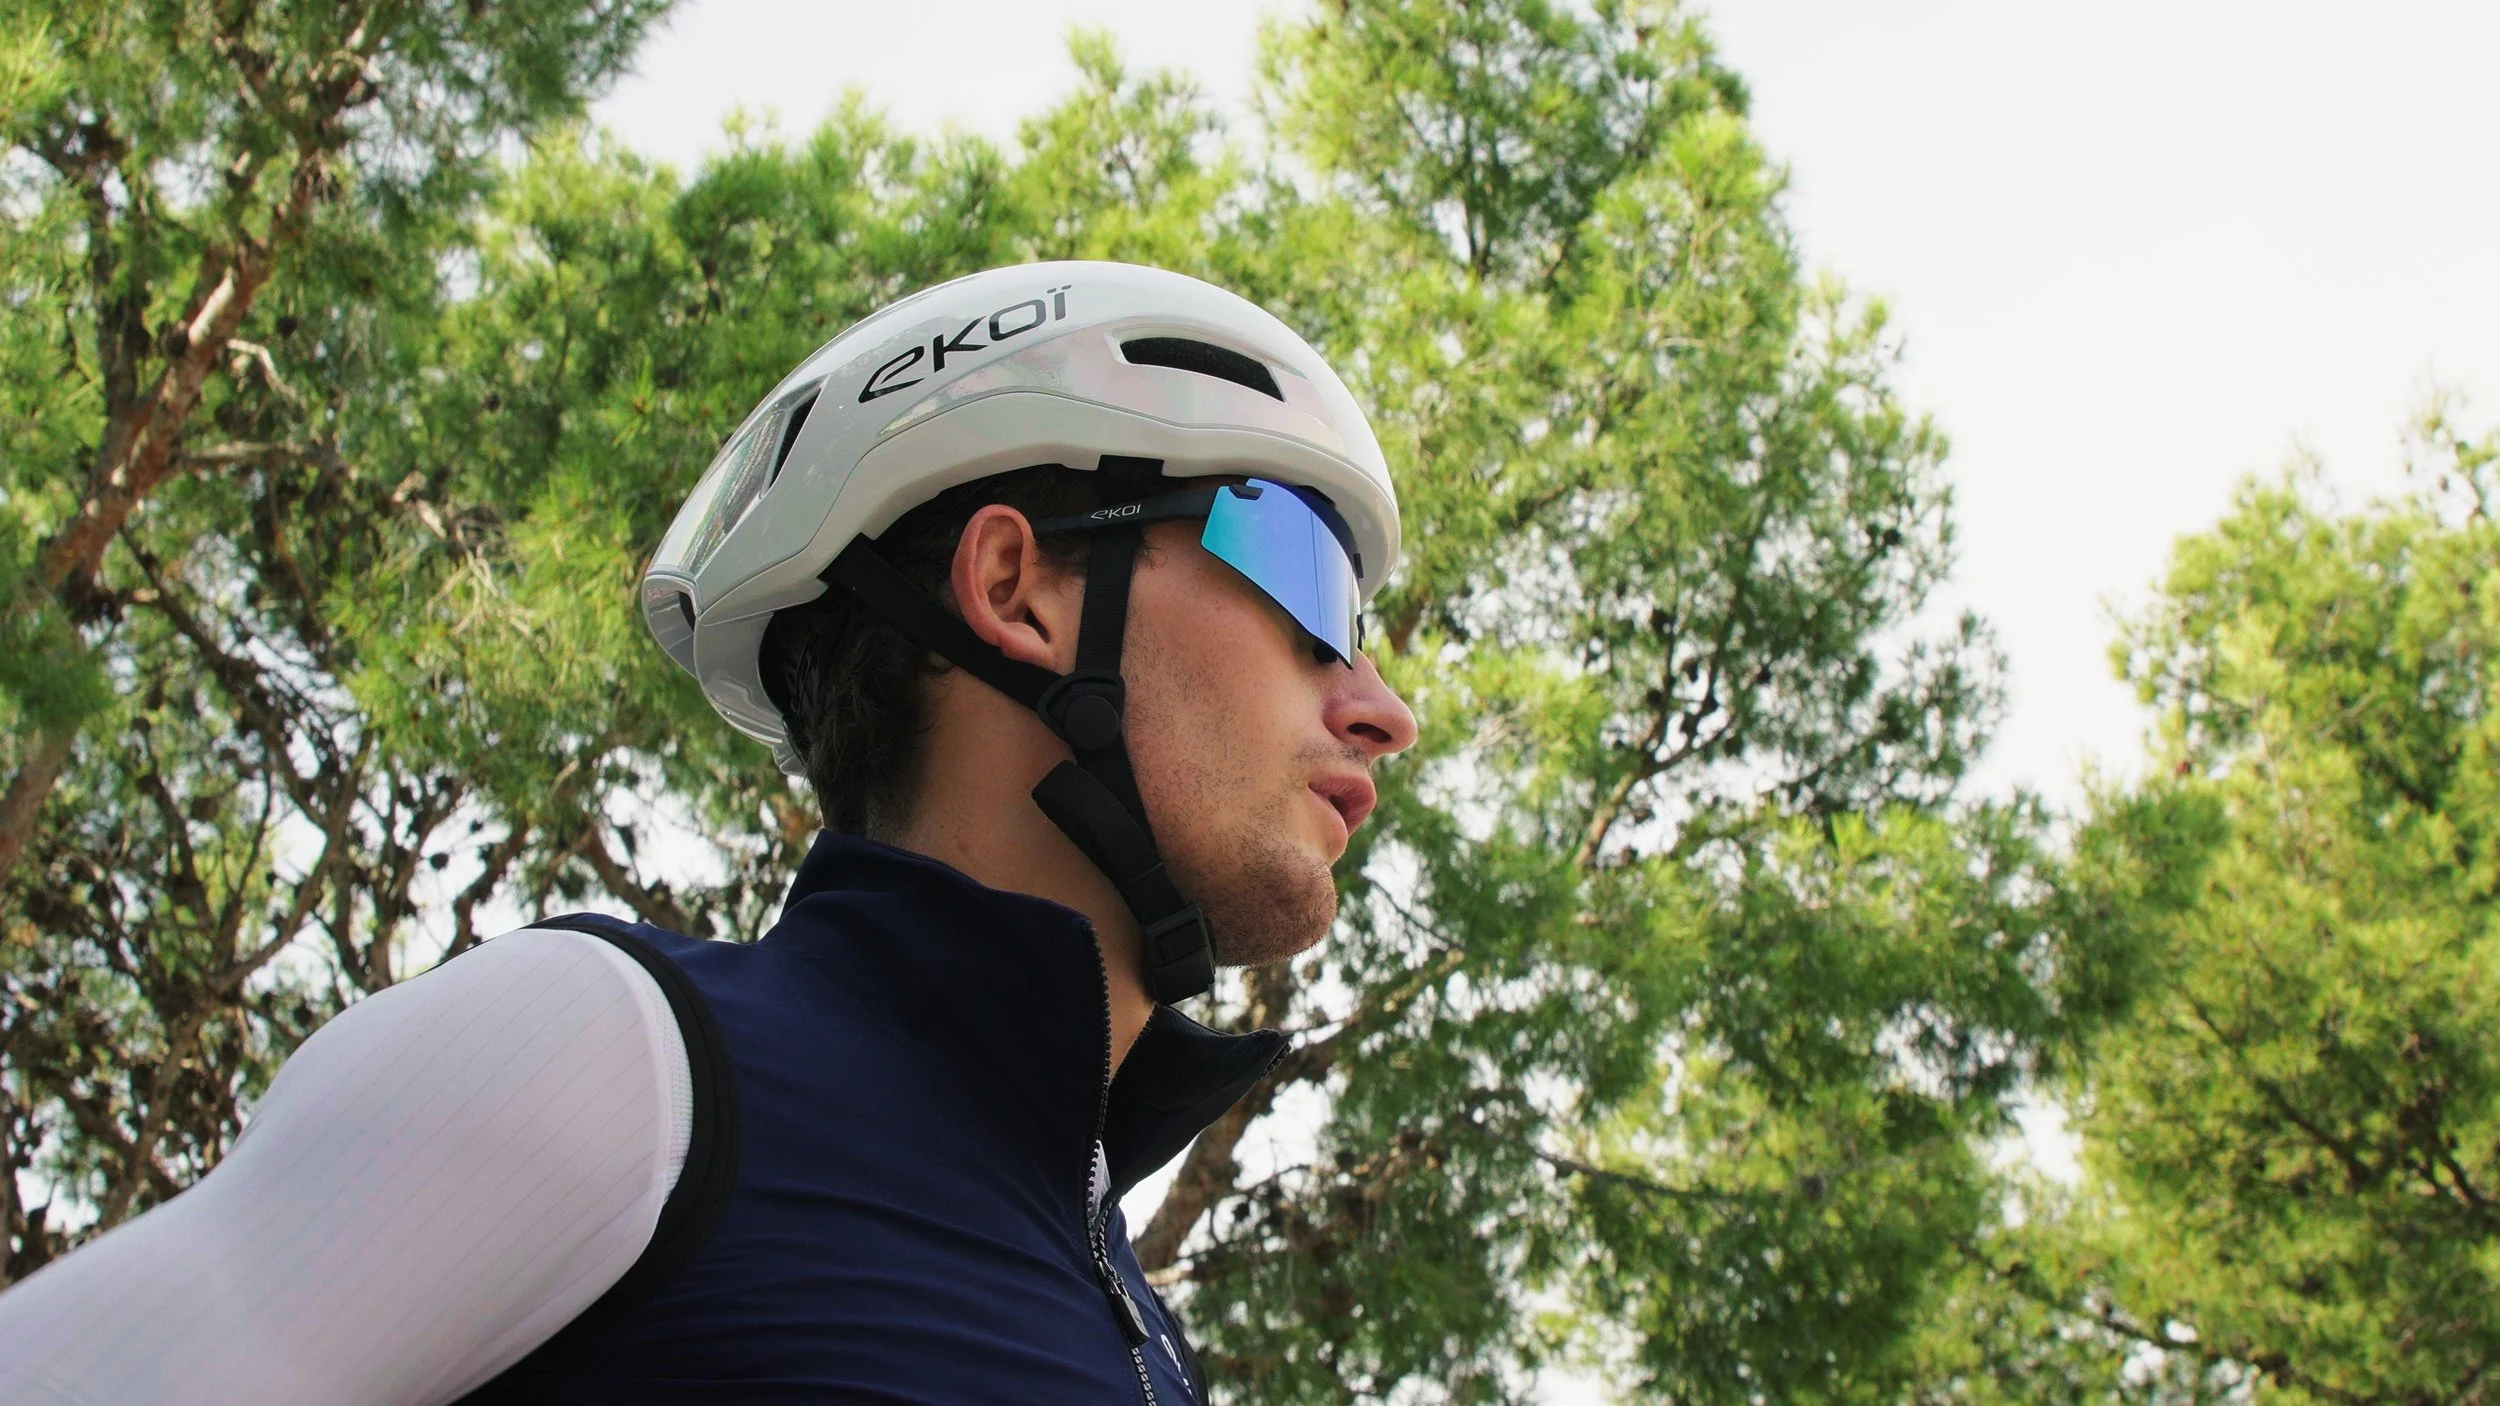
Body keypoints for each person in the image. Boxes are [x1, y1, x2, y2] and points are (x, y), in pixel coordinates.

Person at [0, 260, 1418, 1403]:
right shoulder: (622, 1060)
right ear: (1016, 586)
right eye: (1306, 575)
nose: (1380, 705)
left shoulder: (1138, 1327)